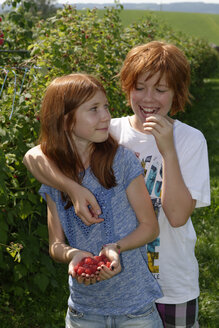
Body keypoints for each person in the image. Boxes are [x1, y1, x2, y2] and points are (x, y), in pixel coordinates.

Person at [23, 41, 211, 328]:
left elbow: (176, 216)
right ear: (127, 88)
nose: (148, 98)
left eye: (160, 90)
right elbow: (34, 156)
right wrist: (74, 189)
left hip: (172, 282)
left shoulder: (190, 140)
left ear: (177, 92)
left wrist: (168, 151)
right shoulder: (107, 130)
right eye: (139, 87)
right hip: (112, 290)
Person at [35, 73, 163, 328]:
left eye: (105, 106)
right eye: (94, 109)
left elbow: (150, 227)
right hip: (84, 312)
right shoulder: (53, 176)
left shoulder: (122, 161)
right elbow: (55, 244)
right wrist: (73, 255)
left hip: (136, 309)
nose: (106, 115)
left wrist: (115, 247)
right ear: (65, 119)